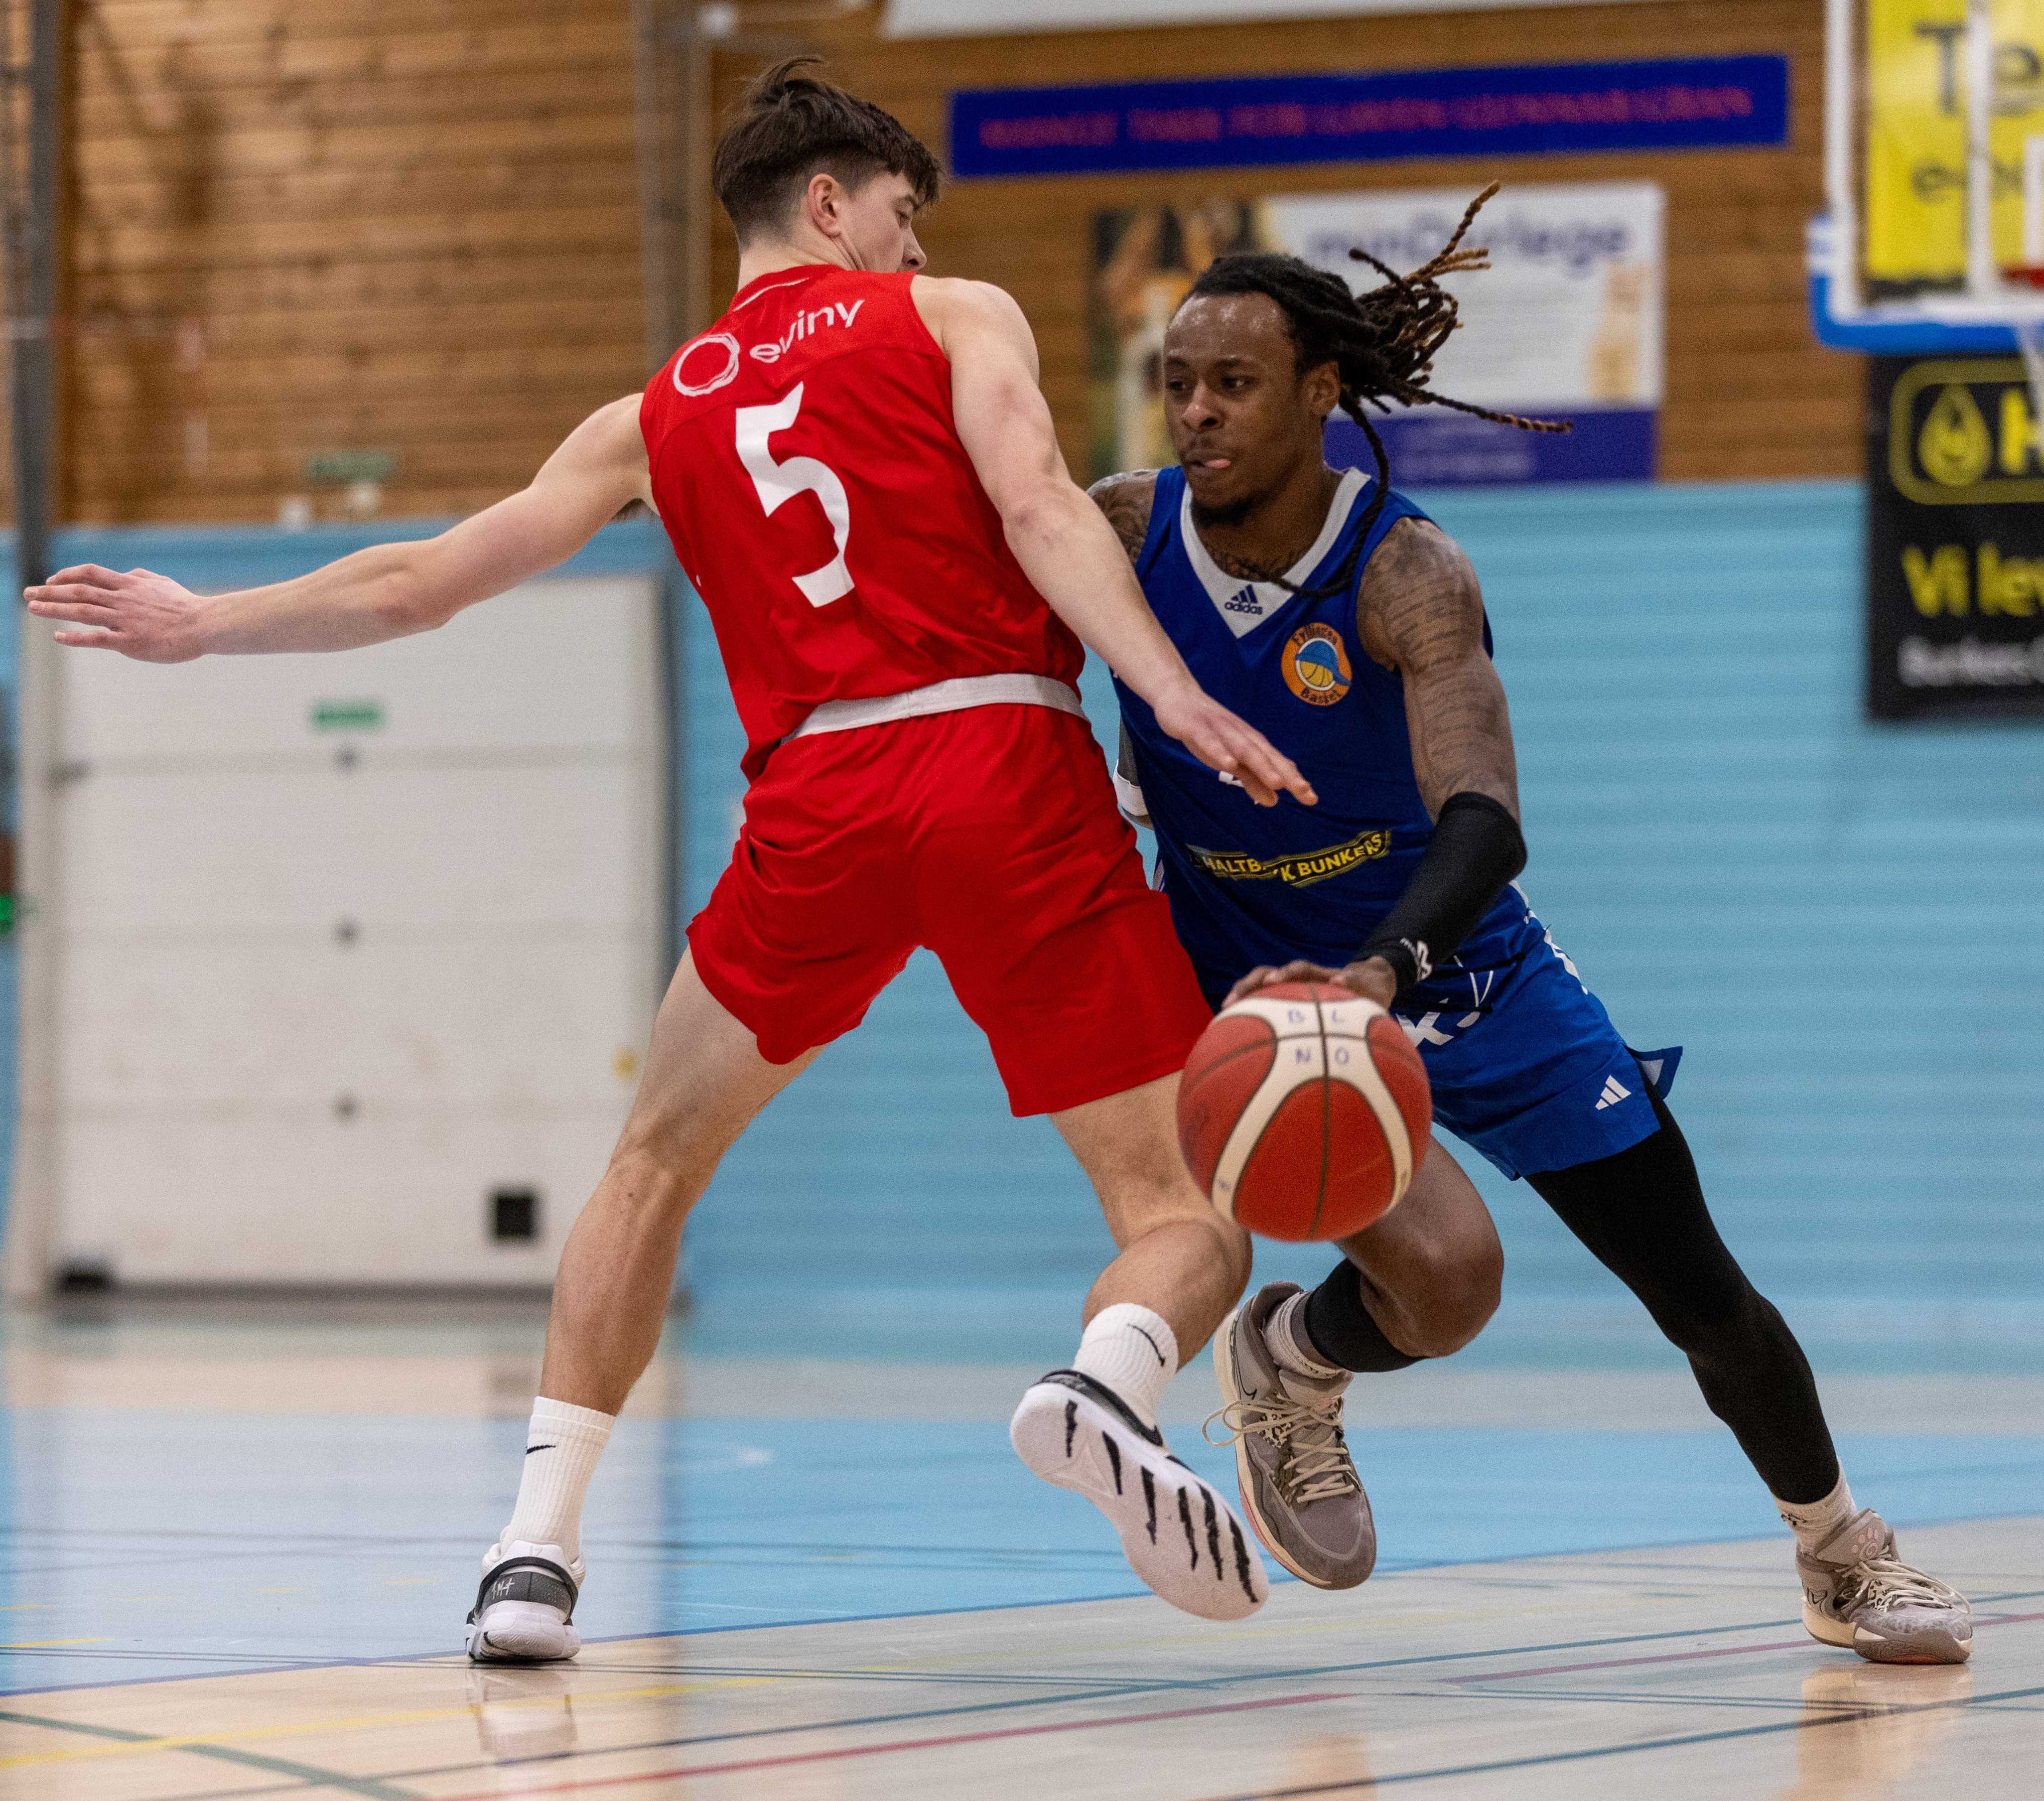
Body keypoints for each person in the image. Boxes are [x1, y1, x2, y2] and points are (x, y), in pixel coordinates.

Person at [26, 60, 1316, 1651]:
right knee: (1179, 1205)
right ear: (830, 204)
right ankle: (1104, 1388)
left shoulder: (649, 415)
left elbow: (425, 581)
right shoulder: (960, 318)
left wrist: (202, 623)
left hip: (816, 809)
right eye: (902, 217)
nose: (915, 251)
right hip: (1000, 764)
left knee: (651, 1162)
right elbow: (1046, 508)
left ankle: (532, 1560)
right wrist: (1173, 694)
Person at [1089, 191, 1974, 1665]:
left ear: (1320, 392)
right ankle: (1301, 1372)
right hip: (1261, 997)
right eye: (1177, 382)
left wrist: (1385, 967)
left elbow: (1486, 824)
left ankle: (1838, 1550)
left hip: (1463, 971)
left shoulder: (1406, 573)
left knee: (1699, 1291)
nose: (1194, 412)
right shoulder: (1122, 532)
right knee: (1452, 1283)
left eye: (1231, 384)